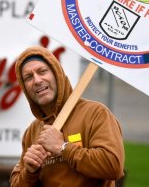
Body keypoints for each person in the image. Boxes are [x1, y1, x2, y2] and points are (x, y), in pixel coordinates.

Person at [9, 46, 125, 187]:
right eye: (28, 77)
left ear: (57, 74)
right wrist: (30, 172)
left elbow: (112, 165)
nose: (37, 80)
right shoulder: (32, 130)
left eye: (42, 71)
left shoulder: (96, 113)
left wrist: (63, 147)